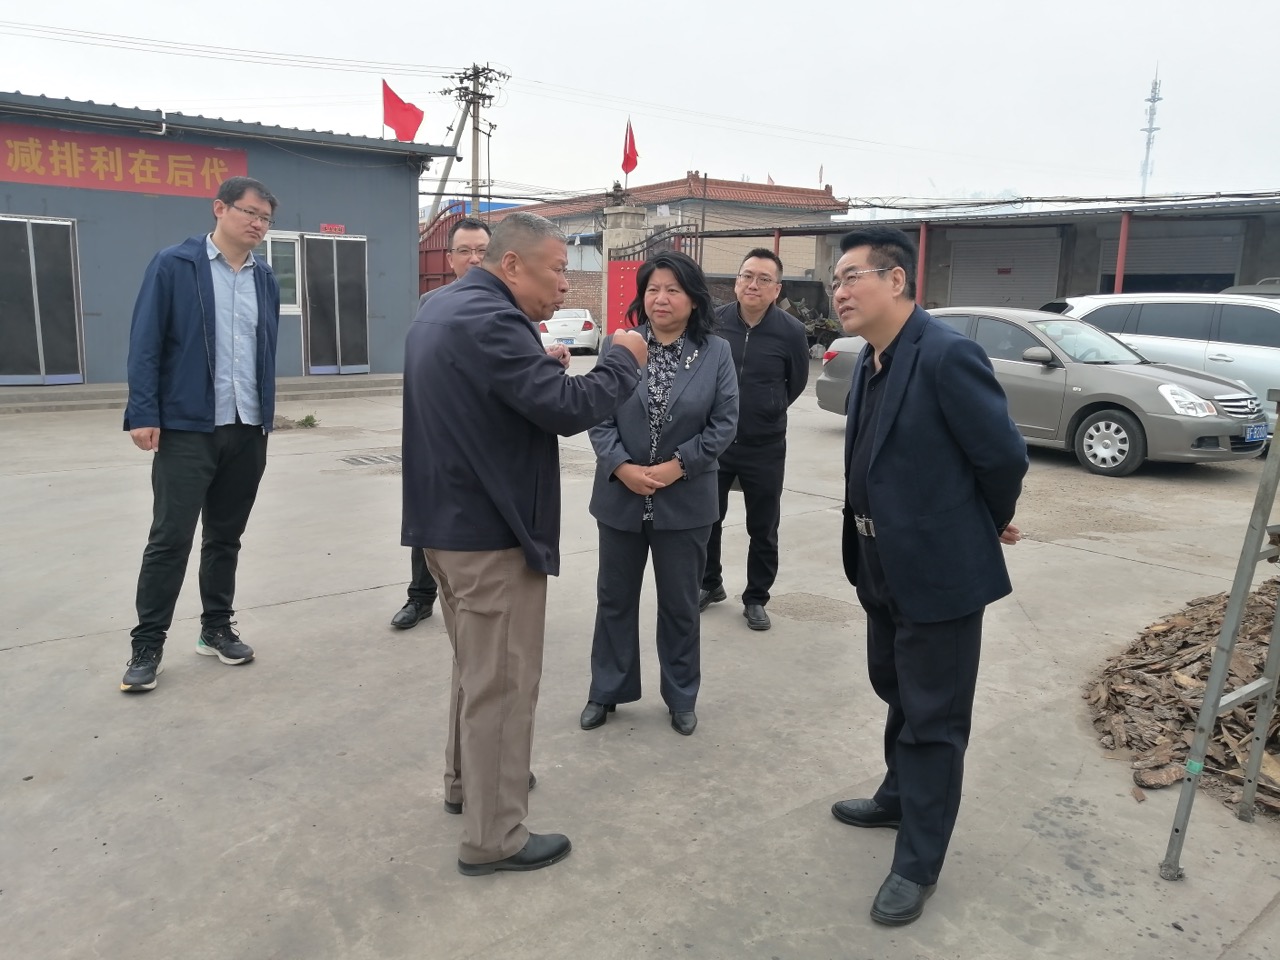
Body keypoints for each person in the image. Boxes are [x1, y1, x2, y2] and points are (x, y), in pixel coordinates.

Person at [402, 212, 649, 876]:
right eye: (557, 269)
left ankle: (468, 785)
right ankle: (495, 836)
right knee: (504, 687)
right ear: (511, 265)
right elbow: (567, 410)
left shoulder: (442, 307)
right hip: (490, 533)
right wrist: (622, 359)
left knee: (475, 674)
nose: (565, 284)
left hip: (445, 526)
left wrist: (539, 368)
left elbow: (493, 395)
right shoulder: (492, 319)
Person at [828, 226, 1027, 926]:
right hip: (878, 561)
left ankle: (918, 862)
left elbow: (1002, 457)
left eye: (852, 277)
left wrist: (982, 521)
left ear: (896, 281)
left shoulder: (946, 354)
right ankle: (896, 797)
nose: (839, 291)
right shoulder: (870, 358)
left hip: (940, 571)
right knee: (898, 692)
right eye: (835, 280)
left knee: (934, 720)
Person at [119, 176, 281, 692]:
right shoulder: (175, 265)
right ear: (220, 208)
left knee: (225, 537)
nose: (257, 224)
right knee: (170, 539)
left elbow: (264, 351)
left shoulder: (265, 278)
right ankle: (147, 644)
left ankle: (216, 629)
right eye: (249, 212)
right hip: (188, 426)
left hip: (247, 426)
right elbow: (146, 341)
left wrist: (266, 417)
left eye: (265, 218)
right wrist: (143, 412)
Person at [580, 252, 738, 738]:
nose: (661, 298)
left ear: (693, 299)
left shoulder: (716, 352)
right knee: (614, 600)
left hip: (685, 502)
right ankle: (607, 688)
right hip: (621, 498)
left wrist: (678, 466)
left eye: (673, 290)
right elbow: (598, 413)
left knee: (680, 605)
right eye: (652, 289)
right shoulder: (619, 345)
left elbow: (724, 423)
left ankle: (681, 695)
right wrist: (621, 467)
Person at [700, 248, 810, 632]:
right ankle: (709, 583)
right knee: (708, 519)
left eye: (764, 279)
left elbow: (796, 383)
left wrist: (768, 409)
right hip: (715, 441)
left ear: (777, 289)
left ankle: (756, 597)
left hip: (765, 445)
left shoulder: (791, 331)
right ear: (736, 282)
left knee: (763, 526)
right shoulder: (713, 322)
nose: (753, 284)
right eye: (747, 276)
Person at [391, 217, 493, 631]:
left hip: (486, 432)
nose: (474, 259)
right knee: (429, 510)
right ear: (450, 259)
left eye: (482, 251)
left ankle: (485, 598)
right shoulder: (431, 302)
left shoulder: (511, 302)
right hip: (439, 427)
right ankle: (420, 597)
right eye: (464, 251)